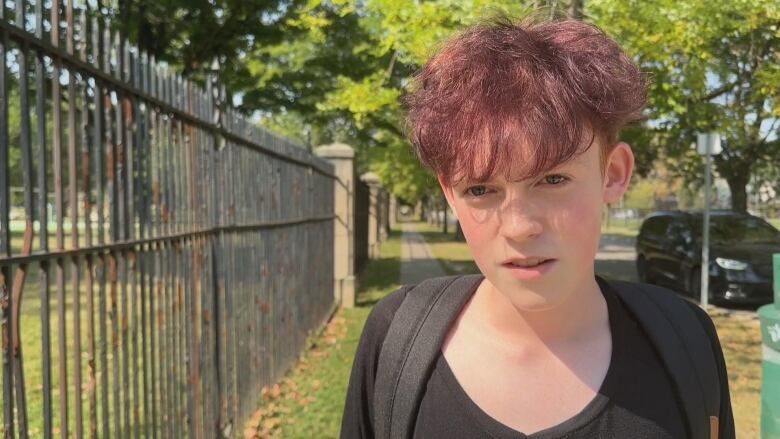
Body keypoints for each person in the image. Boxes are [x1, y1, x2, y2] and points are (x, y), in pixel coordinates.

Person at [340, 16, 735, 439]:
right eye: (480, 189)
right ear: (449, 194)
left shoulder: (685, 342)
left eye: (552, 180)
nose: (519, 227)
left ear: (614, 173)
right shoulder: (396, 340)